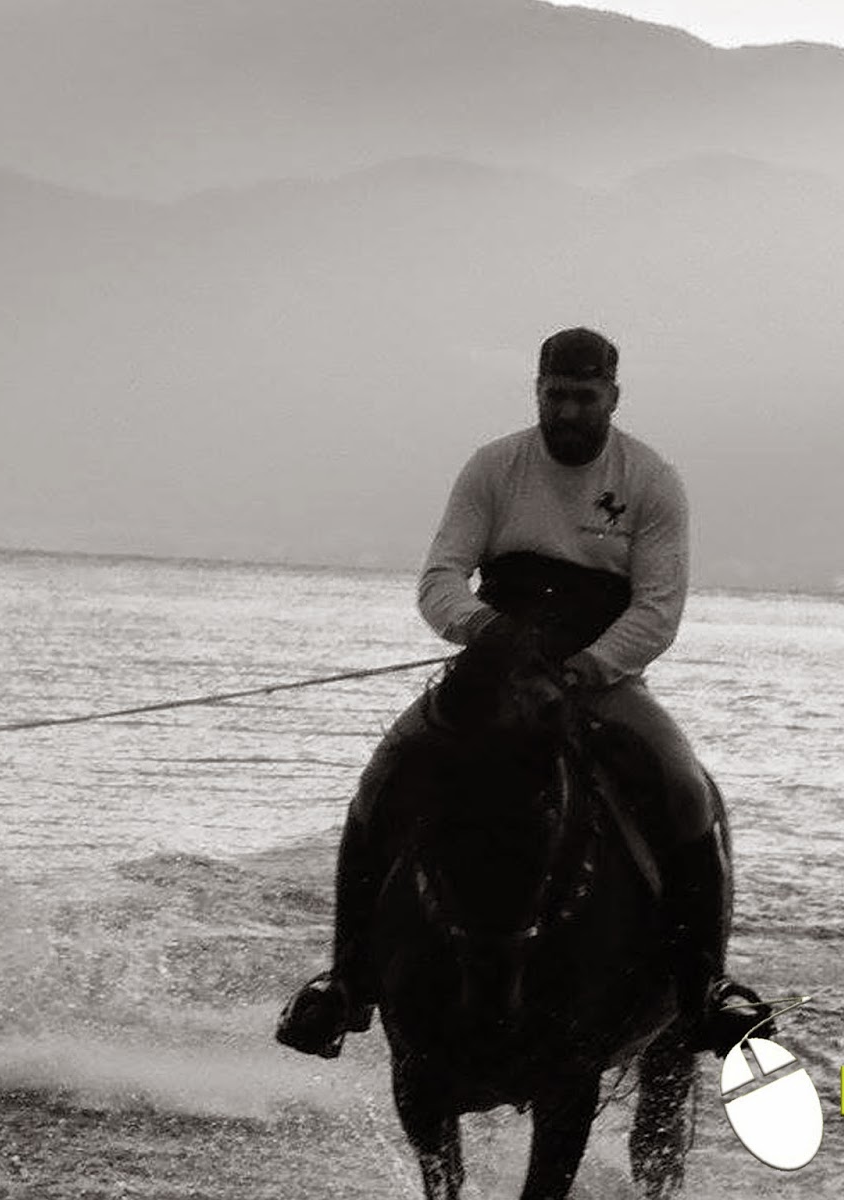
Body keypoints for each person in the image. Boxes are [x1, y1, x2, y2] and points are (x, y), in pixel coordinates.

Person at [278, 327, 735, 1059]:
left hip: (602, 679)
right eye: (556, 394)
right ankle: (345, 984)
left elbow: (657, 610)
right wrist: (485, 629)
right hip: (496, 670)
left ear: (613, 397)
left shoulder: (651, 479)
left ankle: (704, 990)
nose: (569, 410)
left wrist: (586, 667)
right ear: (538, 392)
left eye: (585, 397)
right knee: (381, 781)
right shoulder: (495, 467)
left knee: (684, 789)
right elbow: (440, 580)